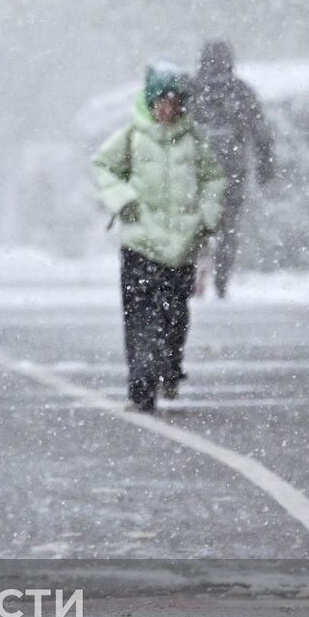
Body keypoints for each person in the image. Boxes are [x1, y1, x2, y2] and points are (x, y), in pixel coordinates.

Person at [92, 62, 225, 412]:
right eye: (161, 101)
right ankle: (141, 384)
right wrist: (123, 200)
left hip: (181, 246)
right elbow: (103, 167)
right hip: (140, 244)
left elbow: (214, 179)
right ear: (150, 103)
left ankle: (169, 368)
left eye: (175, 101)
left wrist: (207, 217)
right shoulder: (131, 137)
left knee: (174, 314)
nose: (168, 108)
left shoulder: (194, 141)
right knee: (138, 316)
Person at [189, 39, 274, 297]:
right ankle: (221, 281)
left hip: (197, 170)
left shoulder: (191, 89)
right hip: (232, 169)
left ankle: (196, 275)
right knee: (229, 227)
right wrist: (265, 165)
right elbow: (260, 132)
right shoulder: (240, 91)